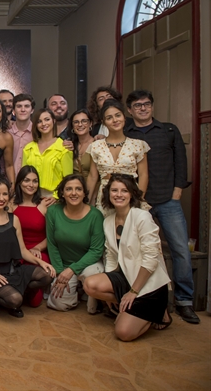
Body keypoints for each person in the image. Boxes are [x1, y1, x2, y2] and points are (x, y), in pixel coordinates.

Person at [124, 89, 199, 324]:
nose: (143, 108)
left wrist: (177, 193)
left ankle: (184, 301)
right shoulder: (126, 132)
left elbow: (181, 162)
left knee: (180, 250)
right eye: (137, 106)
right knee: (136, 251)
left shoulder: (168, 130)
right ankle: (144, 298)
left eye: (146, 104)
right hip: (138, 203)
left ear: (152, 107)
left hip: (167, 200)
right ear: (130, 110)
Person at [83, 174, 171, 341]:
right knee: (90, 284)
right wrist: (112, 287)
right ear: (108, 194)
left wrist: (133, 291)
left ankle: (159, 312)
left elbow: (151, 259)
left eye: (124, 190)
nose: (119, 194)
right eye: (114, 190)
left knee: (123, 333)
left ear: (132, 194)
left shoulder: (142, 217)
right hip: (125, 278)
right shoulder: (108, 221)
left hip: (148, 283)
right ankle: (129, 306)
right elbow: (110, 256)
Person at [0, 174, 55, 317]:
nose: (1, 198)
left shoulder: (14, 219)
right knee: (16, 300)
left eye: (5, 194)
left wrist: (41, 262)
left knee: (46, 276)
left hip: (11, 270)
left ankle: (10, 292)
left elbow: (22, 250)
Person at [46, 174, 105, 312]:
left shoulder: (95, 215)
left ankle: (91, 297)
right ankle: (77, 291)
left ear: (84, 192)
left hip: (88, 265)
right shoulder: (53, 212)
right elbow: (52, 244)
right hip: (64, 266)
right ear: (62, 193)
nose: (74, 193)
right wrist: (61, 273)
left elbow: (96, 250)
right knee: (58, 303)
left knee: (91, 274)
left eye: (78, 189)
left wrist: (72, 270)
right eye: (69, 189)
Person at [87, 99, 149, 212]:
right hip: (105, 196)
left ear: (124, 118)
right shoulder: (96, 146)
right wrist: (85, 203)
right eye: (109, 118)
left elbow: (143, 174)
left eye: (118, 115)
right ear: (104, 122)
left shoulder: (138, 145)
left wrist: (138, 199)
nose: (115, 120)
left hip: (130, 196)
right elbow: (92, 176)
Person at [12, 166, 53, 307]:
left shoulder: (44, 204)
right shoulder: (10, 204)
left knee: (34, 302)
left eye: (35, 181)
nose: (31, 185)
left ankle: (24, 290)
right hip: (17, 251)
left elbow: (52, 235)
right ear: (19, 182)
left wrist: (38, 247)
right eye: (27, 180)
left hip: (39, 252)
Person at [22, 108, 73, 198]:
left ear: (53, 121)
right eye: (39, 121)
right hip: (31, 197)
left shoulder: (64, 147)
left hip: (54, 199)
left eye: (47, 119)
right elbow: (23, 177)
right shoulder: (28, 148)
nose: (43, 124)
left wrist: (57, 196)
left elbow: (68, 179)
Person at [8, 94, 35, 174]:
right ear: (13, 111)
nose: (23, 109)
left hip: (31, 182)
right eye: (19, 106)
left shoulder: (38, 132)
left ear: (32, 110)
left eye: (27, 106)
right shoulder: (6, 133)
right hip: (9, 181)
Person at [67, 110, 95, 180]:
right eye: (76, 122)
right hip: (74, 188)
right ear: (72, 126)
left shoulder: (97, 144)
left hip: (93, 188)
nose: (80, 125)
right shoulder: (70, 145)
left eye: (84, 121)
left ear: (90, 123)